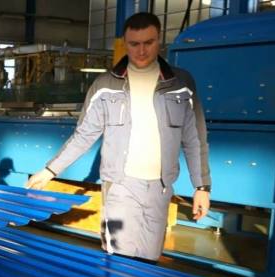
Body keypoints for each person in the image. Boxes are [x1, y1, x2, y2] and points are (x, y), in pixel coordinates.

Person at [26, 12, 211, 263]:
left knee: (149, 261)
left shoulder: (181, 83)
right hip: (121, 187)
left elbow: (195, 138)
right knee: (118, 261)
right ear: (125, 43)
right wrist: (50, 170)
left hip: (160, 188)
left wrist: (202, 187)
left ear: (159, 41)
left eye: (149, 42)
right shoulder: (105, 86)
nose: (142, 51)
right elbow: (83, 135)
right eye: (134, 44)